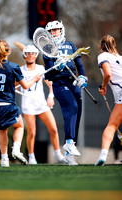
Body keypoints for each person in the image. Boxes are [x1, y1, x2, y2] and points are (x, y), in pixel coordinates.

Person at [0, 39, 41, 167]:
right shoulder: (14, 67)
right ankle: (16, 149)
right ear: (8, 51)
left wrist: (10, 85)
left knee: (2, 130)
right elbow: (25, 86)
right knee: (19, 126)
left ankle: (4, 160)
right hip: (6, 106)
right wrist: (35, 79)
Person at [43, 21, 88, 165]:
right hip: (60, 83)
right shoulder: (47, 49)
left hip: (73, 82)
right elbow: (49, 75)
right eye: (51, 31)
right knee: (72, 107)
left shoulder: (70, 45)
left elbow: (79, 65)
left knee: (77, 114)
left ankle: (69, 155)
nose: (53, 33)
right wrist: (58, 67)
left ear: (61, 30)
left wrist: (82, 76)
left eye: (55, 30)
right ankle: (69, 141)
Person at [19, 44, 65, 164]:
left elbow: (49, 82)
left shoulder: (40, 68)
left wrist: (50, 95)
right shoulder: (20, 70)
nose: (30, 56)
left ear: (36, 55)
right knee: (32, 132)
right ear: (24, 55)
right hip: (27, 104)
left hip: (40, 103)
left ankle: (57, 154)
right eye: (28, 54)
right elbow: (15, 84)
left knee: (53, 129)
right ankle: (31, 156)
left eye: (33, 54)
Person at [95, 35, 122, 166]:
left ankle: (103, 156)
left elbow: (108, 74)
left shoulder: (103, 56)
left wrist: (104, 85)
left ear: (101, 46)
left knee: (111, 126)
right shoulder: (120, 58)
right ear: (114, 44)